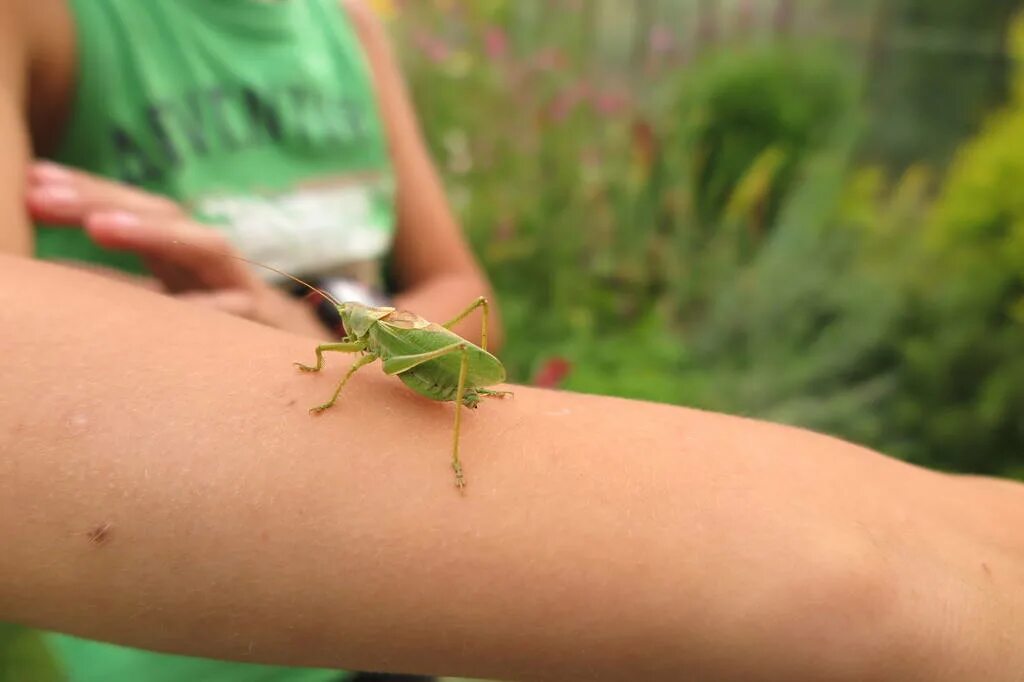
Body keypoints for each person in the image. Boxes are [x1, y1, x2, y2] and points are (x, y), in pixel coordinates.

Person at [2, 253, 1024, 681]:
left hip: (446, 372)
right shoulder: (350, 335)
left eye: (337, 319)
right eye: (339, 321)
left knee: (416, 378)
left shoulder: (385, 335)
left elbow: (390, 340)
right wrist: (315, 372)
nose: (336, 330)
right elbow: (331, 354)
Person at [1, 0, 499, 679]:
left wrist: (315, 323)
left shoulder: (350, 27)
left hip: (392, 583)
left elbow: (471, 302)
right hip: (189, 630)